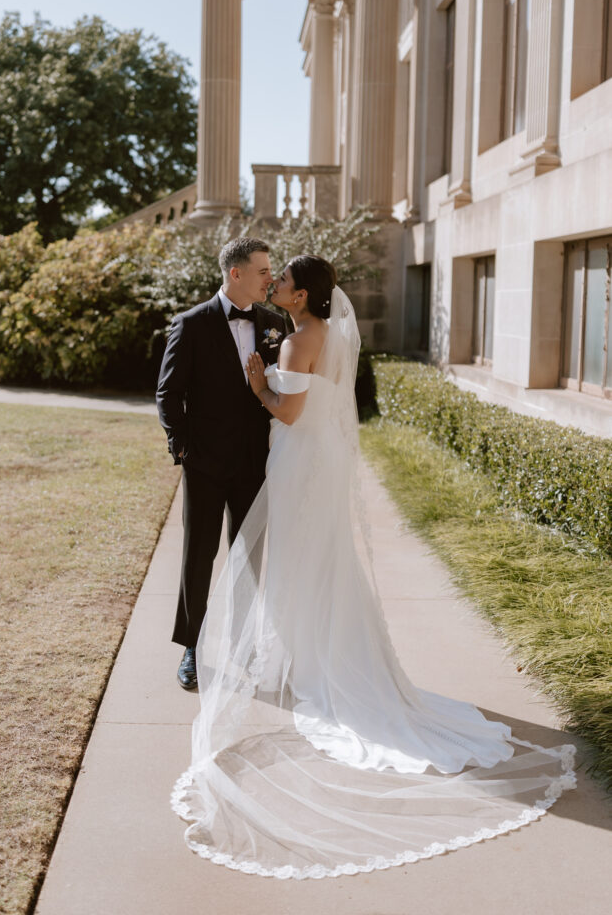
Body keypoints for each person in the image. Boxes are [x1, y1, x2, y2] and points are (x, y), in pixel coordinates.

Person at [170, 254, 577, 878]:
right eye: (266, 275)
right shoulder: (323, 332)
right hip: (311, 463)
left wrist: (259, 387)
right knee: (312, 563)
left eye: (280, 280)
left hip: (297, 461)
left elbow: (291, 412)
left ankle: (308, 661)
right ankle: (284, 650)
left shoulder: (297, 338)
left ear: (300, 296)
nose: (273, 283)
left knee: (297, 563)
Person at [156, 237, 287, 690]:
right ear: (236, 273)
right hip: (206, 464)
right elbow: (167, 394)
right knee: (199, 554)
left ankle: (244, 643)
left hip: (255, 462)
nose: (271, 277)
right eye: (263, 270)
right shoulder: (191, 324)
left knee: (248, 555)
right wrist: (184, 448)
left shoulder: (275, 323)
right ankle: (192, 647)